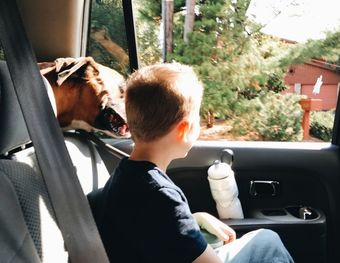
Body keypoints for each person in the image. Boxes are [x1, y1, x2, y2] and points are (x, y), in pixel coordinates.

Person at [88, 63, 294, 263]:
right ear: (183, 130)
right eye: (198, 120)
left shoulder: (125, 176)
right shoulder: (159, 194)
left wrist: (194, 219)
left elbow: (145, 227)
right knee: (267, 241)